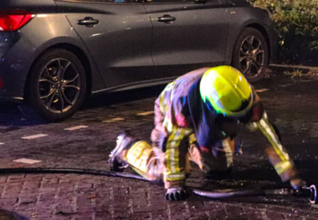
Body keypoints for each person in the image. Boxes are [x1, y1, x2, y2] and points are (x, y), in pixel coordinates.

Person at [109, 66, 305, 201]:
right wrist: (174, 183)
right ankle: (128, 147)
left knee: (220, 169)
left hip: (205, 121)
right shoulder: (181, 108)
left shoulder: (242, 95)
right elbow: (172, 144)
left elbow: (267, 136)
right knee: (164, 171)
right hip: (170, 111)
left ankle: (194, 146)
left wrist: (291, 176)